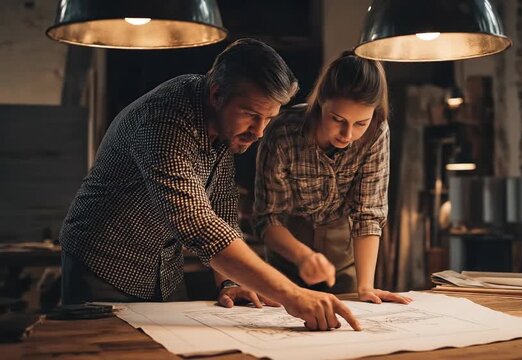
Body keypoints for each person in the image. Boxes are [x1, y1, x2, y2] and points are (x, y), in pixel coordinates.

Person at [58, 39, 360, 331]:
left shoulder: (223, 127)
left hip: (164, 273)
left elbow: (222, 208)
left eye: (269, 118)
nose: (258, 132)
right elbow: (198, 224)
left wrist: (229, 282)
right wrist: (293, 294)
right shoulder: (165, 120)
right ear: (217, 95)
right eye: (252, 115)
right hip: (103, 268)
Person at [253, 52, 411, 305]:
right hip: (288, 258)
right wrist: (303, 256)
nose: (348, 134)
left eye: (360, 123)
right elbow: (267, 217)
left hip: (344, 258)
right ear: (320, 102)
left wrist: (366, 286)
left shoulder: (377, 132)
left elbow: (368, 214)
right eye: (338, 120)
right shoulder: (283, 131)